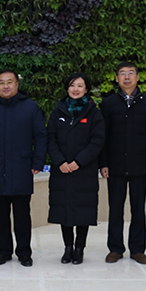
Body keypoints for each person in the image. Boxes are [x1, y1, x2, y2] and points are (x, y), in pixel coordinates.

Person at [0, 69, 47, 267]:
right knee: (0, 214)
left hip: (22, 167)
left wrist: (38, 162)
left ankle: (24, 252)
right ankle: (3, 251)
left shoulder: (30, 107)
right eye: (1, 82)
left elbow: (40, 136)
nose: (5, 86)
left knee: (22, 214)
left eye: (10, 82)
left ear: (17, 84)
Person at [99, 61, 146, 265]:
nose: (127, 77)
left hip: (141, 165)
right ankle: (115, 248)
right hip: (115, 165)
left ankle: (137, 249)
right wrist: (104, 163)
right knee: (115, 207)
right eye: (122, 74)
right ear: (116, 78)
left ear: (137, 77)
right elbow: (103, 137)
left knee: (138, 208)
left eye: (131, 73)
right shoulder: (108, 104)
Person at [47, 73, 105, 265]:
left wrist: (78, 162)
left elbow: (97, 142)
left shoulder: (93, 112)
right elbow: (50, 138)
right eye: (72, 85)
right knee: (63, 210)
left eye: (80, 86)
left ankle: (79, 248)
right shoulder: (58, 111)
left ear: (86, 89)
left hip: (84, 170)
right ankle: (68, 247)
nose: (76, 89)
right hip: (61, 170)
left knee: (83, 211)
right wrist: (60, 162)